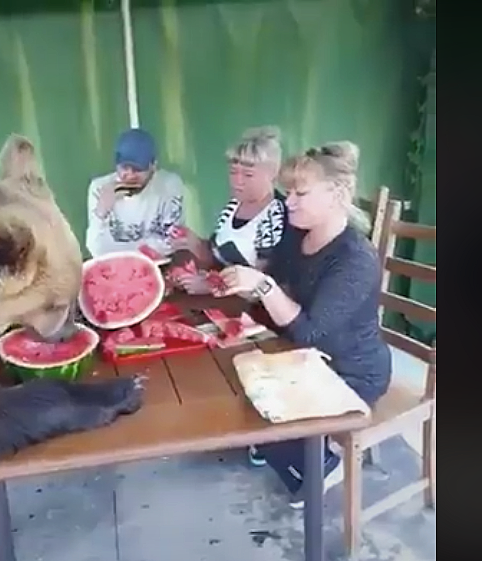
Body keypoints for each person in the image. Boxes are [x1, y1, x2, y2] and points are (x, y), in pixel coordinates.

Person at [219, 141, 392, 508]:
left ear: (336, 195)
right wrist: (236, 282)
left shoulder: (355, 259)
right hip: (304, 356)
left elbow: (309, 330)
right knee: (235, 400)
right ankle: (297, 448)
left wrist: (261, 286)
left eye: (300, 193)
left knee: (255, 422)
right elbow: (278, 283)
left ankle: (328, 462)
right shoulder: (297, 235)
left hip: (349, 371)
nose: (289, 201)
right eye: (289, 191)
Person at [169, 126, 288, 294]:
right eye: (233, 172)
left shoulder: (276, 216)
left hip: (256, 313)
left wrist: (212, 287)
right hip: (225, 303)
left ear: (273, 173)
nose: (237, 181)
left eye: (248, 175)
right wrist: (195, 244)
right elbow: (217, 261)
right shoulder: (233, 206)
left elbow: (264, 283)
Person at [85, 128, 186, 258]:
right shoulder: (99, 188)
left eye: (138, 169)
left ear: (153, 166)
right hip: (114, 267)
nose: (130, 175)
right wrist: (101, 212)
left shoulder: (170, 185)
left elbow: (173, 242)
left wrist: (120, 250)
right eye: (124, 168)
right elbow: (96, 249)